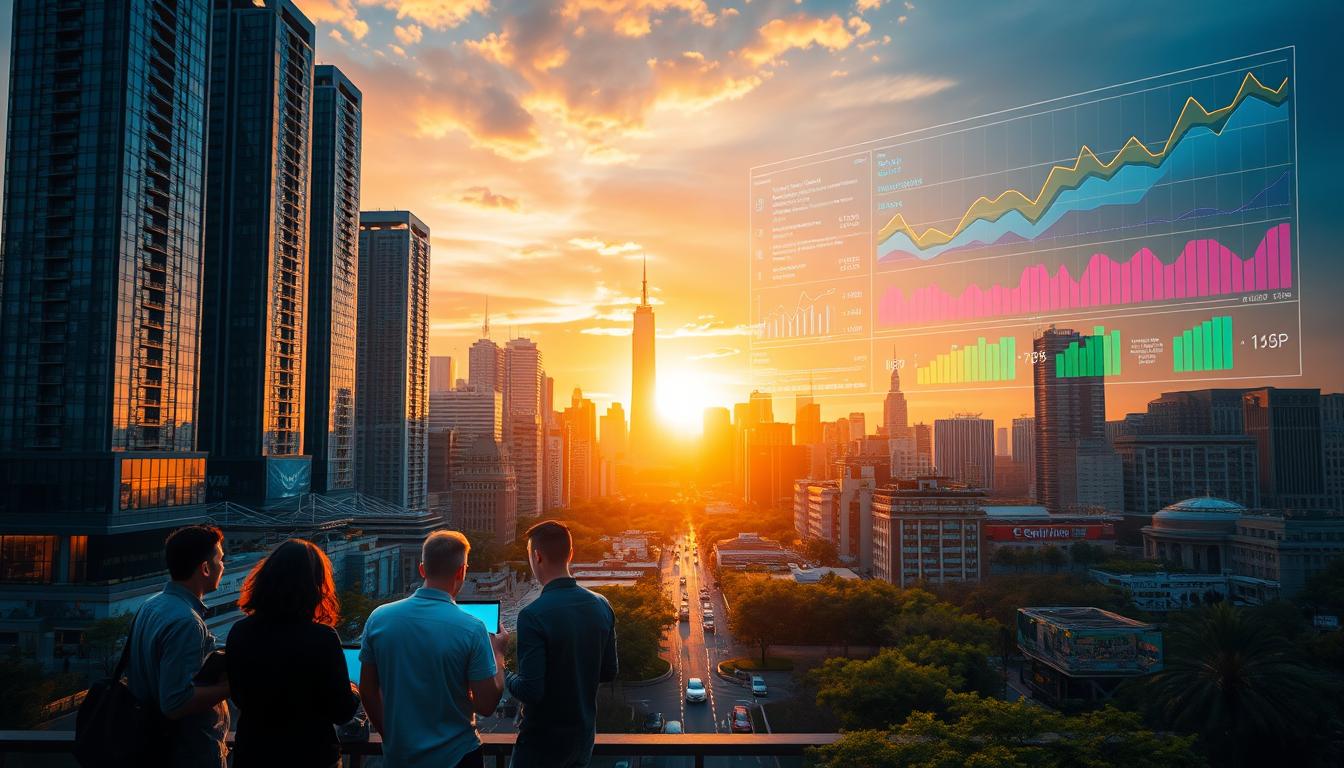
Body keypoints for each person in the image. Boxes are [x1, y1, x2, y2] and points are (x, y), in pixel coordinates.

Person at [359, 530, 508, 768]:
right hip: (456, 756)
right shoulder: (471, 628)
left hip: (400, 757)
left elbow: (367, 691)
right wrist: (498, 654)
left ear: (422, 569)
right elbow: (486, 705)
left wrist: (391, 736)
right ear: (461, 571)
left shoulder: (379, 618)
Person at [226, 539, 360, 767]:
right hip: (310, 755)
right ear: (316, 586)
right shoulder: (322, 638)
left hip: (254, 753)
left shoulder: (241, 632)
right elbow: (342, 711)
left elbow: (238, 696)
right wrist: (354, 690)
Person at [508, 521, 618, 768]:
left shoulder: (532, 615)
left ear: (537, 556)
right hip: (582, 740)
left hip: (541, 745)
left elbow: (530, 691)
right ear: (571, 554)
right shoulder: (602, 605)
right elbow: (609, 672)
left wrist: (499, 665)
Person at [124, 525, 232, 767]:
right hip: (186, 751)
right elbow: (175, 702)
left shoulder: (151, 606)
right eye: (220, 560)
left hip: (151, 745)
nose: (224, 566)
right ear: (205, 568)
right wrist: (227, 688)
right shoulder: (186, 622)